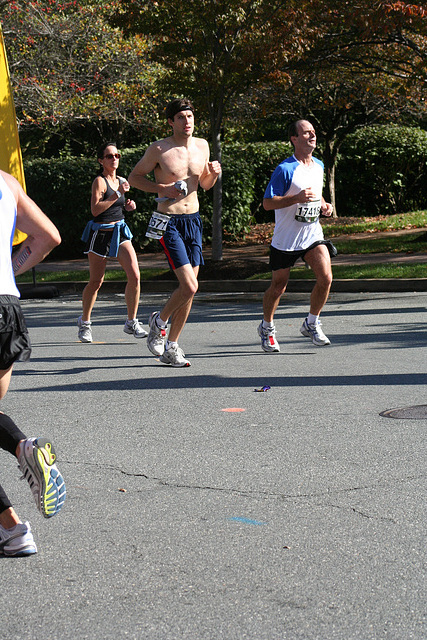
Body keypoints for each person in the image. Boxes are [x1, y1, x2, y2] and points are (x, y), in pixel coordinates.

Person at [0, 169, 66, 556]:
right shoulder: (6, 181)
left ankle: (14, 529)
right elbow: (49, 238)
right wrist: (9, 269)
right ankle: (24, 447)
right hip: (7, 306)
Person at [128, 98, 221, 367]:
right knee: (189, 285)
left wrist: (214, 174)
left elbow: (203, 184)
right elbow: (135, 178)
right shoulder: (159, 149)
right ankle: (159, 321)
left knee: (189, 290)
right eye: (180, 117)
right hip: (168, 221)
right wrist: (162, 189)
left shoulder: (202, 146)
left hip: (193, 220)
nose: (187, 121)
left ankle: (172, 346)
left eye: (190, 116)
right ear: (171, 121)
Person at [258, 119, 334, 353]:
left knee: (326, 278)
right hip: (286, 239)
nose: (312, 136)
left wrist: (324, 205)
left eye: (313, 132)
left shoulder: (319, 165)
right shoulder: (285, 169)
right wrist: (295, 199)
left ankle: (311, 323)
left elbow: (315, 194)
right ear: (294, 138)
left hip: (312, 235)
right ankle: (267, 327)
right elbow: (267, 204)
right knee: (278, 287)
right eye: (306, 133)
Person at [77, 142, 148, 343]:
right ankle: (85, 322)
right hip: (100, 234)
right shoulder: (99, 182)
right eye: (109, 156)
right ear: (101, 160)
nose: (114, 159)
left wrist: (128, 205)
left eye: (117, 155)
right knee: (96, 281)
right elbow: (96, 210)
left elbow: (119, 205)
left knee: (135, 275)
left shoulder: (122, 180)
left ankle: (131, 321)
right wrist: (117, 194)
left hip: (120, 232)